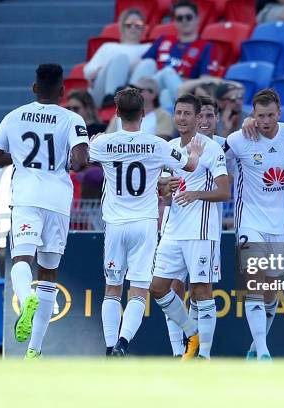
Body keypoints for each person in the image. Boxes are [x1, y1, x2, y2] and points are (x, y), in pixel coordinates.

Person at [0, 63, 89, 359]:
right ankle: (35, 350)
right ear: (62, 91)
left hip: (27, 197)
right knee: (49, 274)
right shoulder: (71, 118)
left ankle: (24, 296)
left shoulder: (15, 116)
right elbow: (80, 161)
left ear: (34, 88)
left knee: (20, 258)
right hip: (57, 200)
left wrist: (18, 158)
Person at [89, 88, 203, 357]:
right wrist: (195, 153)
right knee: (139, 289)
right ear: (143, 114)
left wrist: (94, 141)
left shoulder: (104, 143)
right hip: (144, 224)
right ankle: (123, 344)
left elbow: (82, 158)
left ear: (116, 113)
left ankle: (109, 348)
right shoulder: (157, 144)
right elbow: (189, 166)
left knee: (112, 288)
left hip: (115, 224)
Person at [225, 89, 284, 360]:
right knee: (254, 284)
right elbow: (216, 162)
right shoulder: (238, 140)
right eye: (260, 116)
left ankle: (254, 348)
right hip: (249, 222)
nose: (266, 121)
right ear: (253, 115)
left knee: (271, 292)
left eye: (270, 115)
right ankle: (263, 353)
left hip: (279, 225)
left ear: (279, 113)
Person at [150, 94, 230, 360]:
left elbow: (224, 191)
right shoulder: (170, 147)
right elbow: (162, 190)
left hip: (201, 231)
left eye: (187, 113)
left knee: (201, 290)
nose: (182, 118)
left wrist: (196, 194)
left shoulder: (211, 149)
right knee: (158, 287)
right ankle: (190, 334)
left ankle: (204, 356)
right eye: (178, 113)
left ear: (198, 118)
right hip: (173, 229)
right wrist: (165, 188)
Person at [130, 0, 213, 110]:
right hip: (154, 85)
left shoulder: (205, 46)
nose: (184, 21)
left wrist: (179, 79)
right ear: (174, 21)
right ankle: (131, 100)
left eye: (188, 17)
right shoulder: (164, 40)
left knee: (166, 91)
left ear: (197, 19)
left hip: (179, 90)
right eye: (179, 18)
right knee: (147, 63)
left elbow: (205, 79)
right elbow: (140, 65)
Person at [84, 8, 151, 107]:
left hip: (131, 89)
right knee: (121, 59)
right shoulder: (108, 47)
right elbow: (88, 71)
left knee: (149, 63)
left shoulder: (149, 48)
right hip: (102, 92)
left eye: (138, 24)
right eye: (129, 24)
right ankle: (111, 98)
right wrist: (99, 70)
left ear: (143, 27)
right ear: (122, 26)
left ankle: (131, 98)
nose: (133, 27)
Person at [105, 78, 174, 140]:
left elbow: (160, 143)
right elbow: (107, 140)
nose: (135, 93)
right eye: (132, 90)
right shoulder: (120, 113)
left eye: (139, 90)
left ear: (153, 94)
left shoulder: (163, 116)